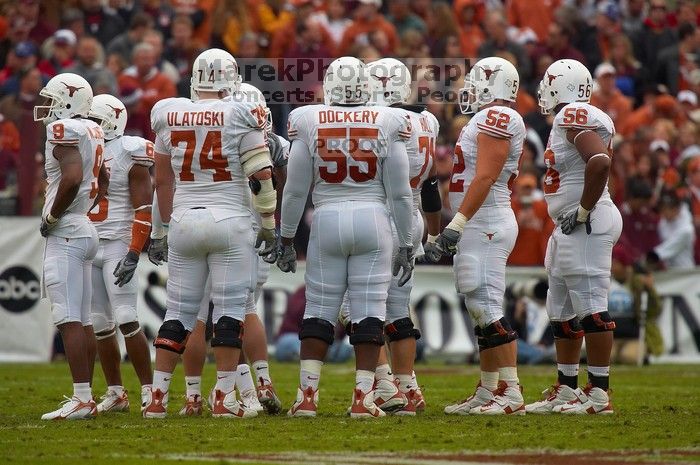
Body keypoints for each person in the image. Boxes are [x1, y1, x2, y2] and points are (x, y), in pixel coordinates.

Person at [141, 48, 278, 419]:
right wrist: (268, 224)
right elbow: (262, 175)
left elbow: (163, 181)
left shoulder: (169, 112)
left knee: (179, 313)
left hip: (185, 219)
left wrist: (162, 229)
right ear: (231, 79)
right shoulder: (241, 111)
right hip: (230, 221)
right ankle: (223, 397)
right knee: (231, 312)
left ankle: (156, 398)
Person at [277, 56, 414, 418]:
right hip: (373, 217)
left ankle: (307, 397)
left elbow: (294, 190)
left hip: (326, 218)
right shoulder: (389, 119)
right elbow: (400, 194)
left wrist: (287, 237)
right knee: (370, 309)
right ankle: (362, 398)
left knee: (318, 308)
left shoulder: (308, 119)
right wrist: (407, 241)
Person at [428, 57, 526, 416]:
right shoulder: (486, 118)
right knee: (477, 304)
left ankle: (511, 392)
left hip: (485, 220)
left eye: (475, 82)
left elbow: (484, 177)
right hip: (480, 221)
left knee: (487, 305)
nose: (467, 90)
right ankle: (488, 389)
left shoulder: (497, 117)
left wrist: (458, 222)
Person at [526, 59, 621, 415]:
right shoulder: (570, 118)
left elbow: (599, 162)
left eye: (549, 82)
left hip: (587, 221)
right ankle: (567, 390)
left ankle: (598, 393)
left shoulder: (572, 117)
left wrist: (582, 210)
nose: (543, 89)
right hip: (572, 222)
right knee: (561, 308)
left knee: (591, 308)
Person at [35, 73, 105, 419]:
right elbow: (101, 180)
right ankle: (86, 396)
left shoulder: (63, 129)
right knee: (85, 319)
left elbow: (74, 177)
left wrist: (53, 215)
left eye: (52, 99)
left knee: (67, 317)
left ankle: (82, 398)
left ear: (68, 100)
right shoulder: (93, 129)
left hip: (66, 231)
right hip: (85, 227)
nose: (47, 107)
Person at [86, 94, 154, 413]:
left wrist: (134, 251)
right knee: (100, 323)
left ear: (113, 122)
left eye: (95, 121)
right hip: (88, 242)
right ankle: (116, 392)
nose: (89, 126)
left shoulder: (129, 151)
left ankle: (150, 390)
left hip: (116, 243)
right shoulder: (84, 147)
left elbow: (143, 207)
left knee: (126, 317)